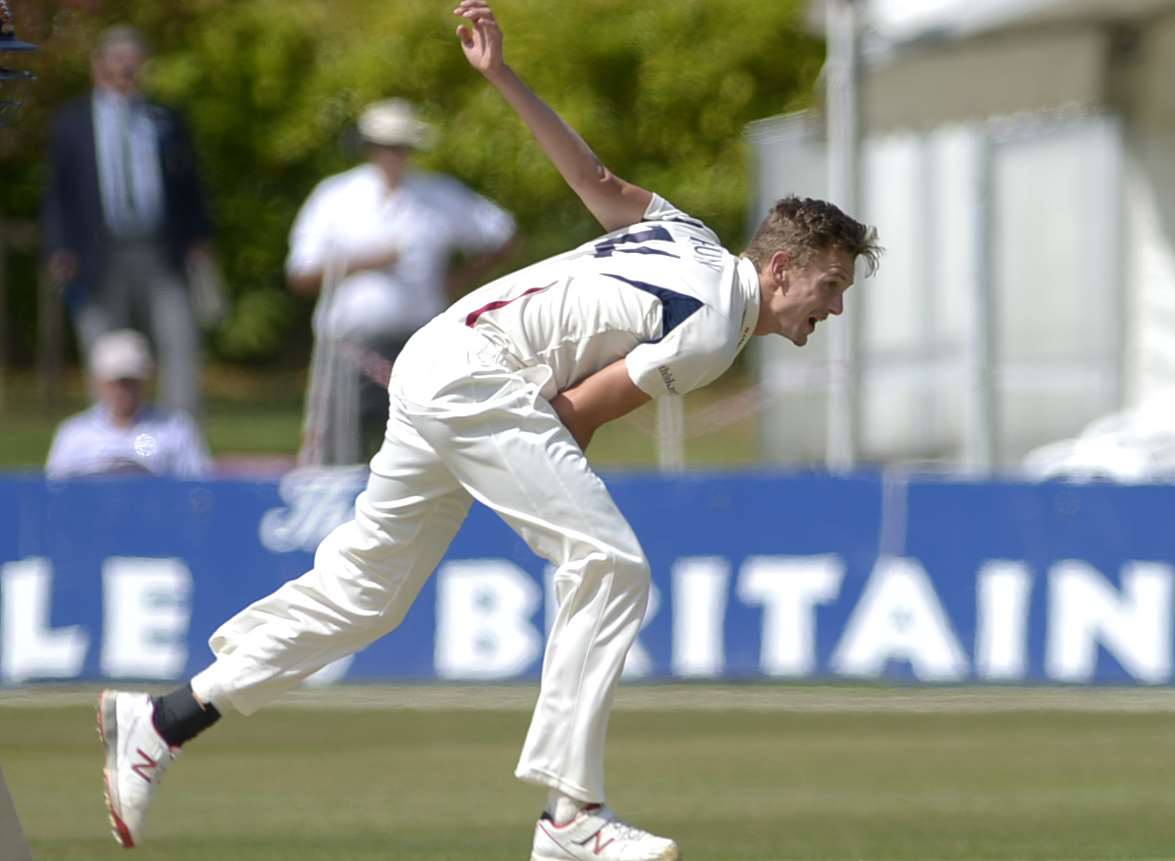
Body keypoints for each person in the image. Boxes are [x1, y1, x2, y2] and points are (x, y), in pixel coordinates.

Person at [96, 2, 881, 859]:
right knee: (607, 562)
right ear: (779, 268)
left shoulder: (687, 232)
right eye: (830, 284)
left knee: (369, 593)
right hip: (479, 380)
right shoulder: (715, 325)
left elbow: (592, 176)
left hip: (440, 353)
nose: (833, 306)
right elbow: (576, 411)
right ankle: (569, 815)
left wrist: (503, 75)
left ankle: (163, 718)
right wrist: (535, 494)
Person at [287, 96, 517, 465]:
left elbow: (502, 234)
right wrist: (366, 262)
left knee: (421, 449)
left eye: (399, 147)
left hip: (420, 343)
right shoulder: (335, 196)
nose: (392, 155)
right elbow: (301, 274)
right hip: (349, 347)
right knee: (336, 447)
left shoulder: (437, 193)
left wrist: (460, 281)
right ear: (369, 148)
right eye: (384, 147)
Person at [41, 24, 216, 417]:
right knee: (105, 347)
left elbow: (190, 184)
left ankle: (181, 438)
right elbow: (58, 193)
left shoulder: (164, 117)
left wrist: (200, 239)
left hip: (160, 249)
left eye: (134, 63)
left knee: (178, 341)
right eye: (119, 61)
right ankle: (106, 441)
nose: (127, 71)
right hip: (97, 250)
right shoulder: (72, 122)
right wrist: (59, 248)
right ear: (99, 65)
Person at [46, 329, 211, 479]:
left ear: (145, 381)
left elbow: (197, 485)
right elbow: (55, 492)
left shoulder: (175, 429)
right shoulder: (73, 434)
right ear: (99, 382)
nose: (122, 390)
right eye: (115, 382)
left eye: (130, 381)